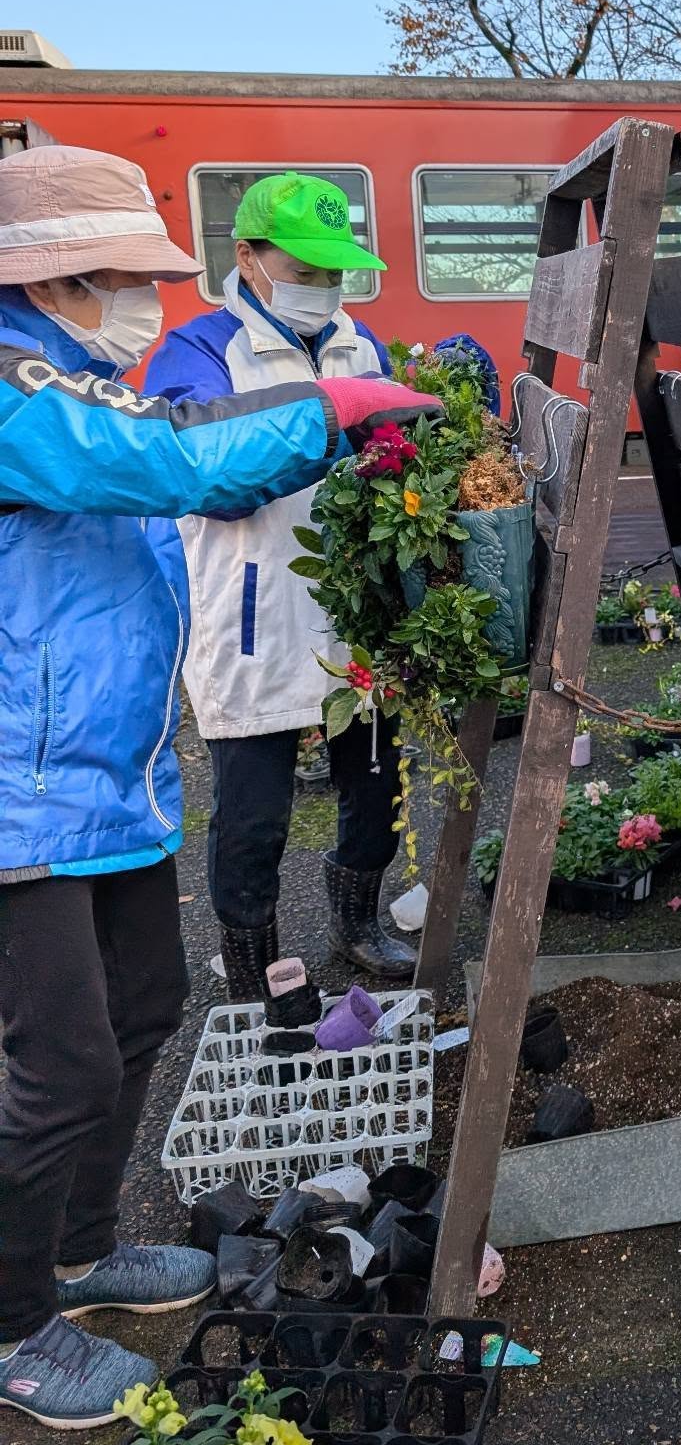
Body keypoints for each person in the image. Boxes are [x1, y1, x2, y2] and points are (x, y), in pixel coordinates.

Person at [0, 145, 438, 1425]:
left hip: (98, 775)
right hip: (21, 793)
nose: (143, 297)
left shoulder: (73, 370)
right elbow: (183, 464)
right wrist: (333, 412)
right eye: (121, 277)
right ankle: (15, 1320)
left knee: (146, 1001)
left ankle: (82, 1251)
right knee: (60, 1063)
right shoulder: (21, 393)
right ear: (55, 278)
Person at [147, 173, 416, 1003]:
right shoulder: (197, 351)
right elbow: (212, 480)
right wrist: (331, 419)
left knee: (375, 787)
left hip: (349, 609)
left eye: (334, 272)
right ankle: (255, 963)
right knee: (252, 816)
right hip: (253, 613)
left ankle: (358, 923)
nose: (322, 288)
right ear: (249, 258)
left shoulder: (356, 343)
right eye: (305, 267)